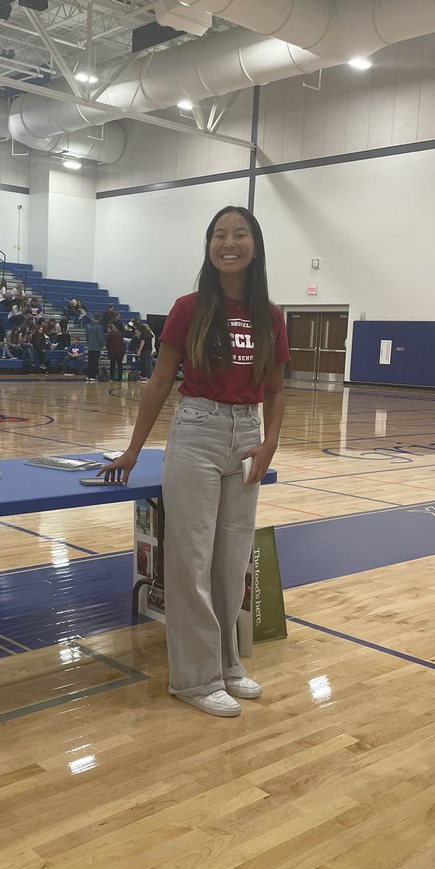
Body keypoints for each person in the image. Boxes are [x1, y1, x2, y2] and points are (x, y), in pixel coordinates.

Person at [98, 206, 289, 719]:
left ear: (255, 244)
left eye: (240, 234)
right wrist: (135, 448)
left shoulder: (270, 315)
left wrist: (270, 441)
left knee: (231, 562)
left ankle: (226, 665)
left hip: (247, 435)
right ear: (209, 247)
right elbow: (160, 381)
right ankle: (194, 679)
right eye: (219, 235)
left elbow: (274, 387)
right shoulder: (189, 308)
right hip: (197, 433)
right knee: (191, 563)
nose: (229, 243)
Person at [85, 313, 103, 382]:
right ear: (98, 319)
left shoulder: (89, 326)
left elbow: (87, 337)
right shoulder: (98, 327)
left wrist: (89, 343)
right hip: (96, 347)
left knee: (90, 362)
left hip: (90, 347)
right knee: (95, 362)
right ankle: (93, 376)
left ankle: (88, 376)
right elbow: (100, 338)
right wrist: (101, 345)